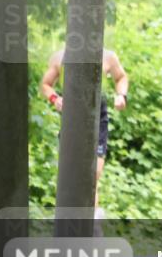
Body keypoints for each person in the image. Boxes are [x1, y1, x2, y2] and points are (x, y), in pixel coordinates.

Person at [40, 47, 129, 217]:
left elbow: (121, 77)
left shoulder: (107, 56)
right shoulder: (60, 57)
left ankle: (92, 223)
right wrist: (55, 98)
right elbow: (46, 84)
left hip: (97, 118)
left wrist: (121, 95)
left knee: (92, 175)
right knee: (72, 176)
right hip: (72, 119)